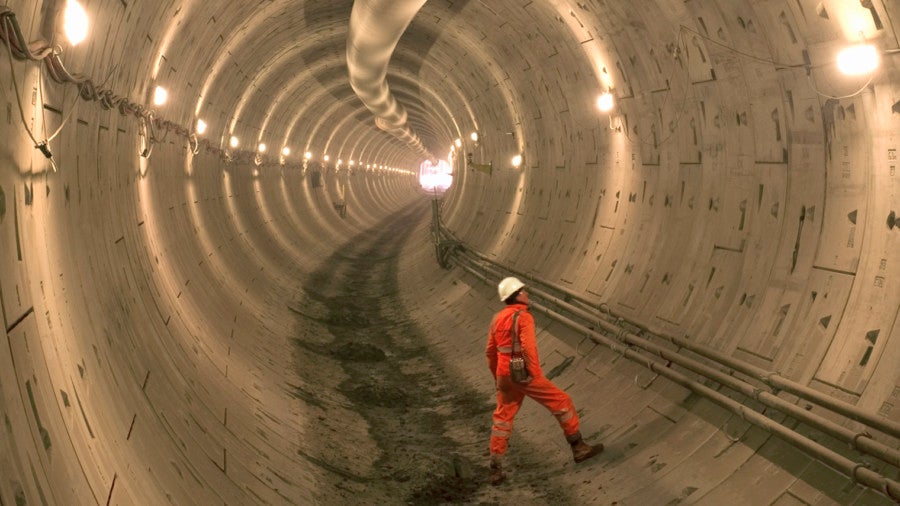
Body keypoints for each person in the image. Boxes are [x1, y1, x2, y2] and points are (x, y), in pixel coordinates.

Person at [485, 276, 603, 485]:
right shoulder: (523, 317)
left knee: (502, 418)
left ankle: (496, 467)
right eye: (523, 291)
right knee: (561, 402)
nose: (527, 293)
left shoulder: (497, 318)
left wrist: (497, 378)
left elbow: (490, 352)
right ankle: (579, 447)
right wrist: (536, 374)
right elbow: (528, 347)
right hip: (522, 373)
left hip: (504, 374)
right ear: (517, 296)